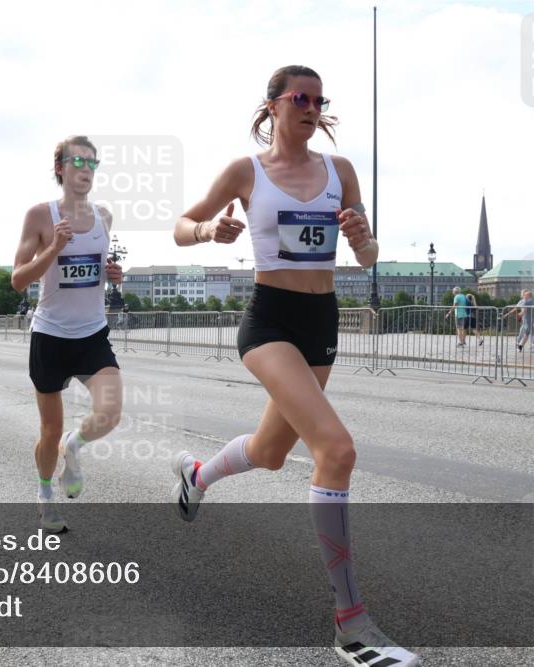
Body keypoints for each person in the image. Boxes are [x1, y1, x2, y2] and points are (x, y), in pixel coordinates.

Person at [169, 66, 420, 666]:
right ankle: (351, 627)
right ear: (273, 106)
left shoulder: (341, 171)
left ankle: (196, 477)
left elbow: (368, 254)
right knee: (336, 449)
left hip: (321, 320)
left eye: (318, 99)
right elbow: (181, 227)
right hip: (270, 322)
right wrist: (211, 228)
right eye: (299, 97)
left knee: (271, 451)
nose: (311, 106)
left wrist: (363, 237)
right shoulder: (245, 170)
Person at [11, 135, 124, 534]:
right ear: (60, 167)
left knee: (110, 413)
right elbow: (18, 278)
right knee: (49, 429)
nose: (86, 170)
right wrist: (53, 248)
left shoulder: (105, 216)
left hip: (92, 332)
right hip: (51, 335)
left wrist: (114, 276)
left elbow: (96, 270)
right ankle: (45, 497)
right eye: (78, 162)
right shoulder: (40, 216)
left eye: (92, 163)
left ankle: (73, 447)